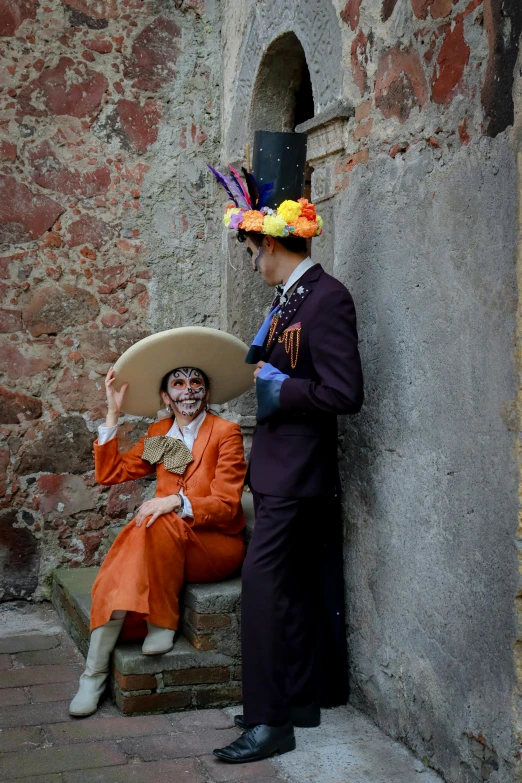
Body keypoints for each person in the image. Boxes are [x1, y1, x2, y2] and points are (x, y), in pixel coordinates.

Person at [209, 131, 364, 762]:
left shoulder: (326, 299)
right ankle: (299, 699)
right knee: (292, 588)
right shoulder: (289, 297)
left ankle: (272, 722)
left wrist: (280, 395)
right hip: (280, 472)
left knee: (262, 587)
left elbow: (344, 392)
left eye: (250, 249)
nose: (250, 260)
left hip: (298, 472)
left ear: (271, 241)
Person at [69, 326, 252, 717]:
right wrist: (113, 413)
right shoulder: (162, 437)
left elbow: (226, 506)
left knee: (153, 521)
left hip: (214, 544)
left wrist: (173, 501)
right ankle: (96, 671)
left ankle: (155, 626)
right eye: (179, 383)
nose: (189, 390)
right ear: (166, 397)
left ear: (207, 391)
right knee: (140, 533)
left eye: (196, 382)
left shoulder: (225, 433)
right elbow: (112, 473)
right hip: (164, 542)